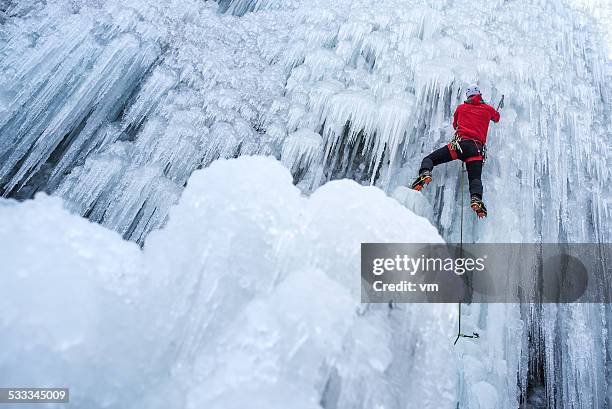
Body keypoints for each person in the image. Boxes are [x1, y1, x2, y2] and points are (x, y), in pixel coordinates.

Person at [411, 85, 500, 218]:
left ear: (468, 96)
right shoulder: (487, 109)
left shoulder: (461, 108)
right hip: (476, 150)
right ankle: (476, 199)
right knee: (475, 179)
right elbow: (497, 118)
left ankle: (425, 172)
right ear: (480, 95)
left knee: (430, 159)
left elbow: (455, 125)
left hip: (459, 146)